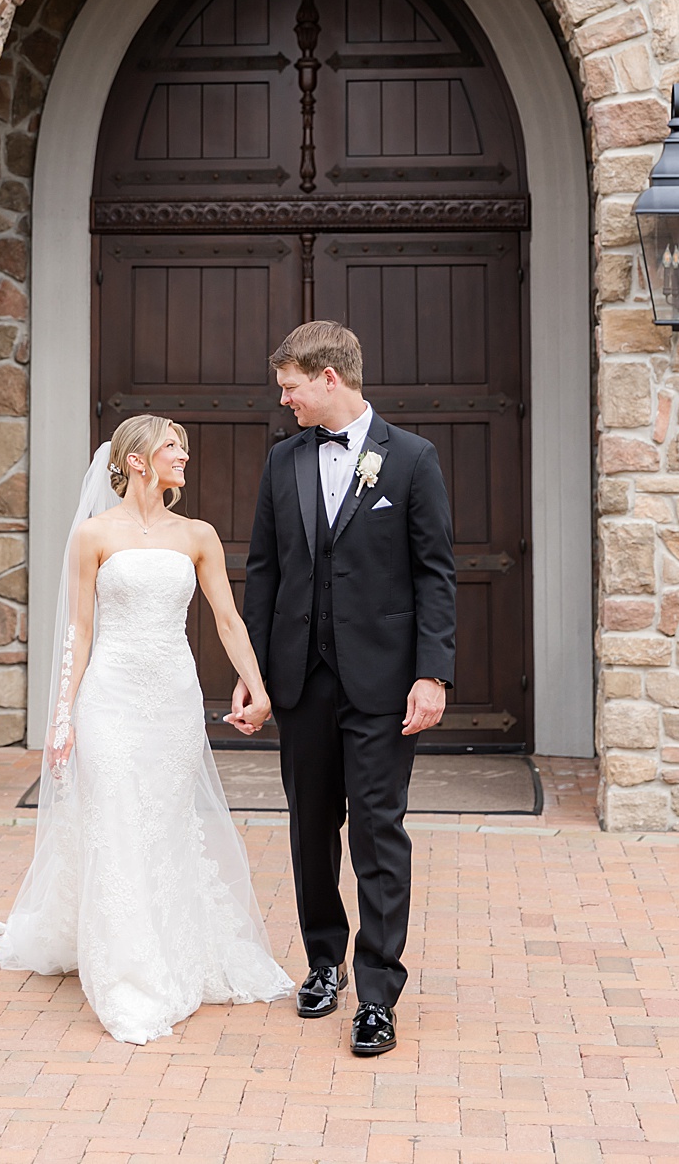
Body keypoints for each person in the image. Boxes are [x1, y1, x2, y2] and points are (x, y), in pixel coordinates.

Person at [0, 416, 292, 1045]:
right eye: (173, 447)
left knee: (167, 822)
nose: (185, 455)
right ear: (135, 461)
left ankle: (174, 943)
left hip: (174, 703)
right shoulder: (93, 535)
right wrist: (64, 713)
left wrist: (259, 689)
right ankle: (129, 976)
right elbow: (79, 630)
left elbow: (229, 621)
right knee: (117, 823)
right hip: (110, 699)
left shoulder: (198, 535)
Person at [242, 320, 457, 1059]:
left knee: (377, 831)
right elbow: (263, 574)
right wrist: (257, 678)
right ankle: (323, 962)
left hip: (383, 683)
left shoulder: (413, 460)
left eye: (290, 384)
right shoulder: (282, 462)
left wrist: (433, 672)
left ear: (328, 378)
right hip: (303, 680)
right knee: (309, 828)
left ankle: (377, 994)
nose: (284, 398)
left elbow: (436, 575)